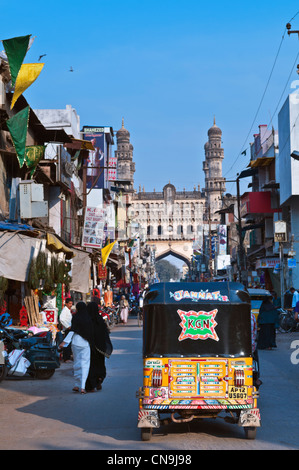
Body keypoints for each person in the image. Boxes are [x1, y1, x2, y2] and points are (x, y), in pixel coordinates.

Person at [59, 302, 94, 394]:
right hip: (85, 343)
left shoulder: (75, 317)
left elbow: (72, 330)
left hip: (75, 342)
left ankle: (76, 385)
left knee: (77, 363)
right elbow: (91, 332)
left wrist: (64, 342)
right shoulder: (88, 318)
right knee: (85, 364)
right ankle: (82, 387)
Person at [85, 302, 112, 392]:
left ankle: (92, 385)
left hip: (91, 348)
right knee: (100, 365)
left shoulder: (88, 321)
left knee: (91, 366)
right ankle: (99, 379)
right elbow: (105, 334)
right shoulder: (100, 320)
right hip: (101, 349)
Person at [59, 298, 73, 362]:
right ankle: (66, 358)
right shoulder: (65, 310)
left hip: (69, 328)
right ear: (66, 303)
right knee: (67, 344)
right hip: (67, 329)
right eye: (69, 303)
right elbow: (61, 319)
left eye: (71, 303)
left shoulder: (68, 310)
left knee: (68, 343)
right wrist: (67, 326)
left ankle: (68, 357)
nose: (71, 305)